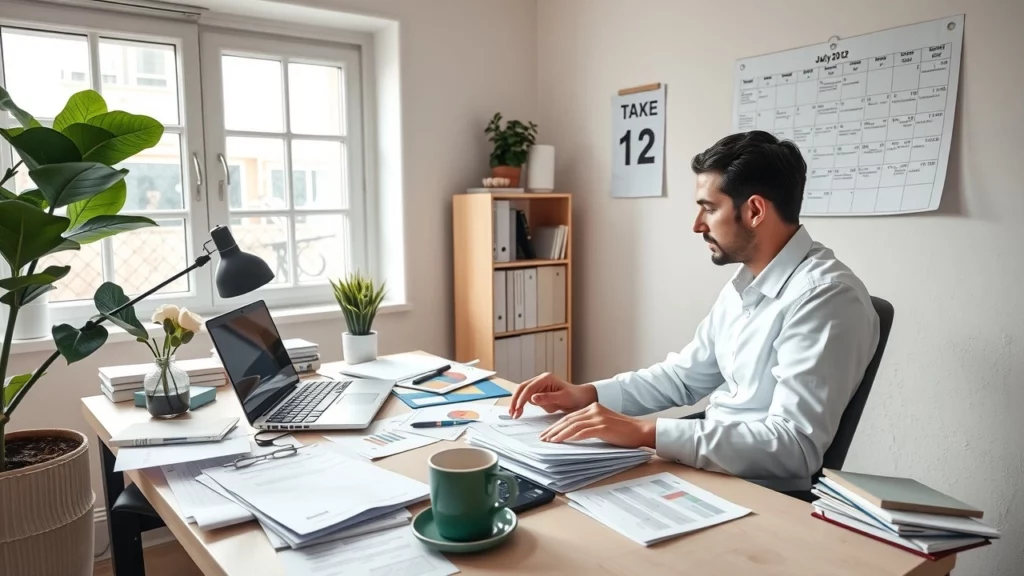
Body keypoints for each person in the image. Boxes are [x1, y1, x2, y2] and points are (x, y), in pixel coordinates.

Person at [509, 130, 880, 492]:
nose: (697, 225)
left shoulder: (826, 298)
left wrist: (645, 432)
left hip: (761, 491)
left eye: (709, 208)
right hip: (711, 466)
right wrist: (587, 394)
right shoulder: (746, 281)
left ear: (754, 210)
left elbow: (793, 448)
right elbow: (684, 378)